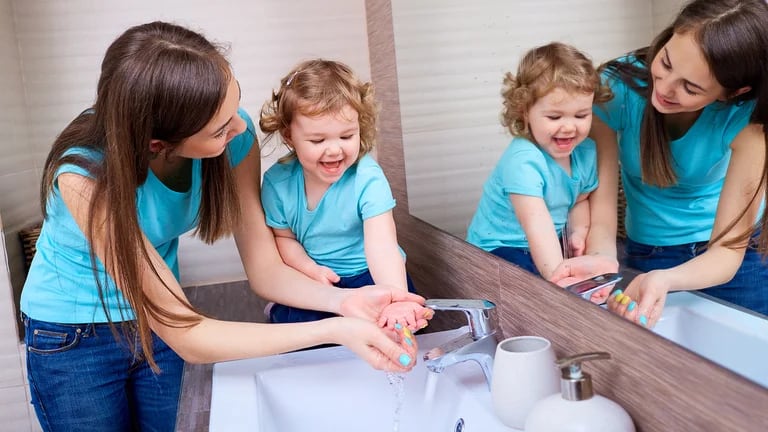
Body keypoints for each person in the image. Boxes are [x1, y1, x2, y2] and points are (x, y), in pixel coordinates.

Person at [19, 22, 427, 432]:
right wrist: (338, 329)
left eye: (234, 109)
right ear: (158, 144)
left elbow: (266, 271)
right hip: (74, 335)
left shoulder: (236, 135)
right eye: (220, 129)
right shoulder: (84, 177)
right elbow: (191, 337)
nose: (241, 128)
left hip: (162, 311)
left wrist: (344, 303)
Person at [550, 0, 768, 327]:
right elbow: (603, 208)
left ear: (733, 92)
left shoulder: (748, 119)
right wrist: (603, 261)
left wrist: (665, 280)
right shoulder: (616, 88)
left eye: (691, 87)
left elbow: (727, 252)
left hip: (734, 265)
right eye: (665, 62)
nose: (664, 88)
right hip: (650, 253)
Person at [259, 59, 429, 330]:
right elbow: (284, 239)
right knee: (305, 335)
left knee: (394, 328)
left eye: (347, 136)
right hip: (320, 281)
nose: (335, 150)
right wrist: (311, 270)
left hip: (372, 275)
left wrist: (395, 296)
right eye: (318, 140)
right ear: (289, 136)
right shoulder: (277, 184)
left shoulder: (366, 177)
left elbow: (382, 246)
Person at [465, 42, 612, 293]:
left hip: (544, 244)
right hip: (499, 249)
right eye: (555, 117)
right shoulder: (523, 159)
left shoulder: (585, 153)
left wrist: (579, 232)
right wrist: (559, 276)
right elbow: (536, 223)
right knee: (541, 295)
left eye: (581, 116)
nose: (569, 127)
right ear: (525, 113)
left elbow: (580, 199)